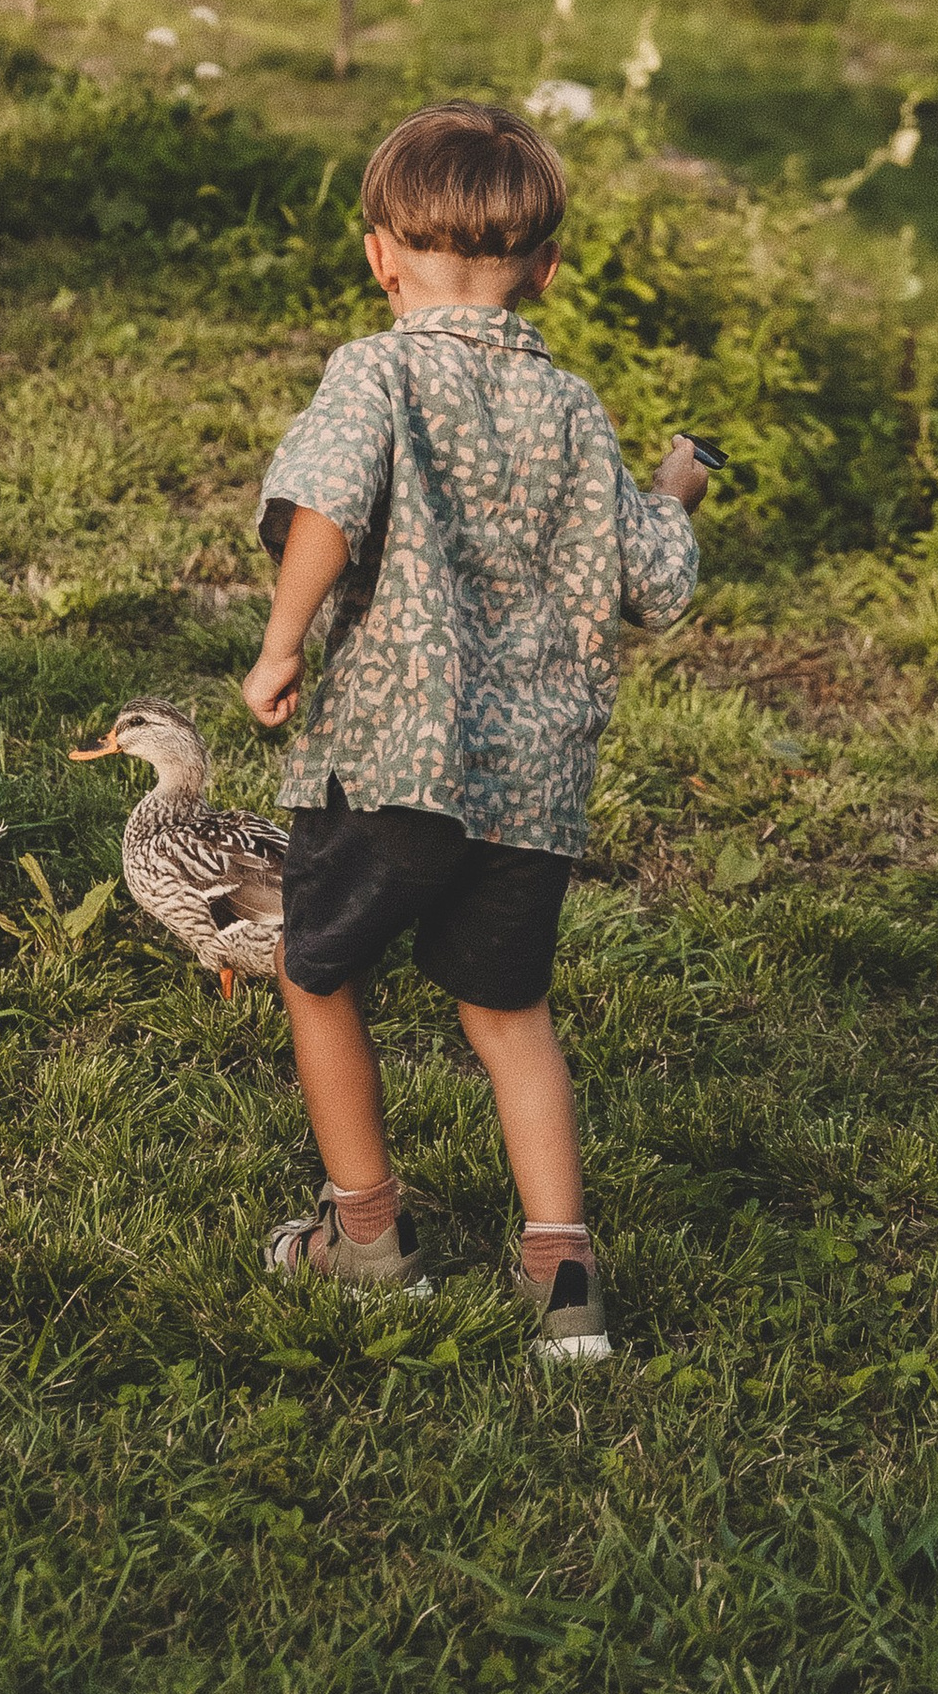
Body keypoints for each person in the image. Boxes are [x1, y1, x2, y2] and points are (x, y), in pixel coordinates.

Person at [241, 97, 710, 1361]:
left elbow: (327, 508)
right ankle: (564, 1284)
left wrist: (282, 644)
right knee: (510, 1014)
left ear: (377, 255)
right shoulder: (571, 406)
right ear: (546, 269)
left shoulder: (376, 370)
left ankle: (368, 1239)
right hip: (533, 785)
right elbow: (654, 585)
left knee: (315, 968)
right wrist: (675, 488)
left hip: (391, 756)